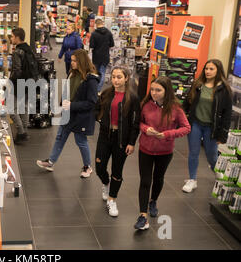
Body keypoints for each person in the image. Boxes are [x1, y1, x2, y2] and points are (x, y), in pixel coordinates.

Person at [135, 76, 191, 230]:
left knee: (158, 178)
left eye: (158, 90)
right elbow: (138, 122)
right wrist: (146, 129)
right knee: (145, 181)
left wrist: (167, 134)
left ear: (166, 91)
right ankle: (142, 216)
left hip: (165, 151)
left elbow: (186, 128)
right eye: (152, 89)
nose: (154, 93)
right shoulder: (145, 105)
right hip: (145, 149)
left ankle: (153, 201)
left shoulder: (175, 108)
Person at [36, 49, 99, 178]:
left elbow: (91, 103)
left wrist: (72, 105)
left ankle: (88, 167)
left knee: (80, 140)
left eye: (75, 61)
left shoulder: (91, 79)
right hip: (68, 112)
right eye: (72, 60)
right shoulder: (72, 73)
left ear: (82, 62)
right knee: (60, 136)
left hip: (80, 116)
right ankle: (51, 162)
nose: (72, 63)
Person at [95, 67, 140, 217]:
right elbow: (97, 108)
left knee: (117, 170)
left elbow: (136, 122)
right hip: (105, 136)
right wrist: (100, 119)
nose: (115, 80)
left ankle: (112, 199)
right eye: (114, 77)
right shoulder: (107, 93)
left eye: (119, 77)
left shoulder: (132, 97)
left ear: (126, 78)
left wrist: (132, 142)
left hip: (122, 139)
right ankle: (106, 183)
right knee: (99, 167)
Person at [182, 59, 233, 193]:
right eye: (206, 69)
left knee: (211, 155)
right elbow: (187, 103)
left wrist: (223, 134)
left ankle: (217, 170)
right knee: (193, 153)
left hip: (212, 127)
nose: (208, 71)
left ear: (218, 71)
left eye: (211, 69)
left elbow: (227, 114)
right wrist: (182, 118)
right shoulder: (198, 85)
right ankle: (192, 180)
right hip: (195, 124)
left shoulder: (224, 89)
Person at [9, 27, 36, 145]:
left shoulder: (17, 52)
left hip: (19, 83)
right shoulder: (29, 49)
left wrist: (9, 81)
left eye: (12, 36)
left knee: (11, 109)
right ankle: (24, 130)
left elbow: (17, 70)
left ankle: (21, 132)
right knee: (24, 107)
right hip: (30, 82)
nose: (11, 38)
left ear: (17, 37)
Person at [89, 18, 114, 92]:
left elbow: (92, 46)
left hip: (96, 57)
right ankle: (98, 89)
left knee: (96, 73)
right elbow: (112, 44)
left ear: (96, 25)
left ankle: (94, 88)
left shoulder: (94, 34)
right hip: (105, 56)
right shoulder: (109, 32)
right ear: (103, 23)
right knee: (102, 72)